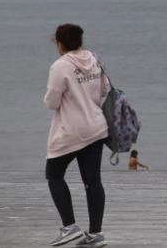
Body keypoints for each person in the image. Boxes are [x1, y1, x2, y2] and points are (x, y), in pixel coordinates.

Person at [44, 23, 110, 247]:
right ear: (80, 41)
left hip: (71, 131)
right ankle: (96, 234)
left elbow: (52, 102)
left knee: (54, 174)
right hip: (97, 128)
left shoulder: (60, 66)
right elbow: (104, 90)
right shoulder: (94, 59)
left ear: (59, 43)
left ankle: (70, 227)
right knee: (93, 181)